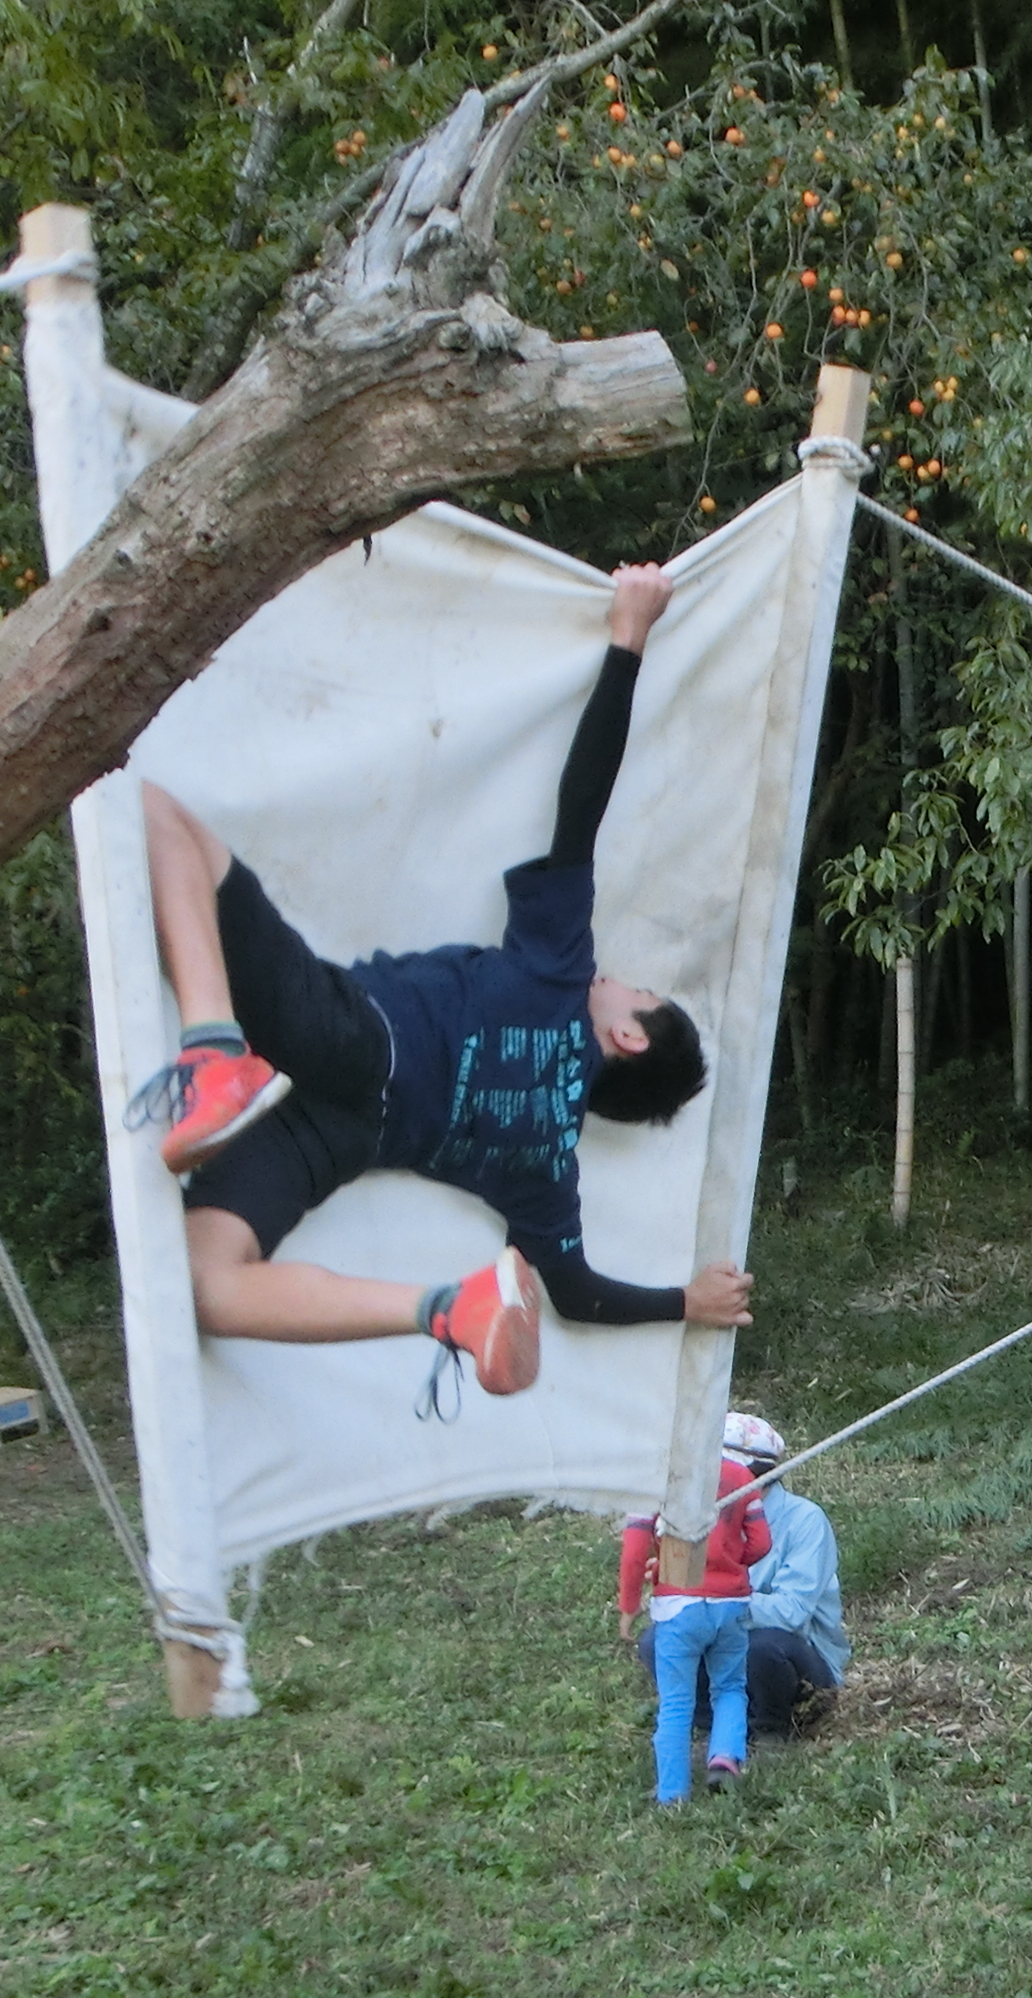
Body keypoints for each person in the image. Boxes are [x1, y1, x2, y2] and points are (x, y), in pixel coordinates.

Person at [123, 561, 752, 1401]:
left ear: (629, 1035)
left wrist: (628, 638)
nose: (613, 976)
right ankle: (450, 1307)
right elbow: (575, 1292)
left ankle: (210, 1046)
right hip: (340, 1137)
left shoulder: (558, 973)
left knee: (158, 816)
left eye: (633, 990)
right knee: (207, 1286)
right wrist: (688, 1302)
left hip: (353, 1040)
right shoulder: (547, 1161)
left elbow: (583, 806)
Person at [618, 1455, 772, 1802]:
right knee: (731, 1685)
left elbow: (634, 1553)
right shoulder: (739, 1474)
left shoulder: (652, 1476)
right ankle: (724, 1757)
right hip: (730, 1604)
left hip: (679, 1605)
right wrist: (731, 1564)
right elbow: (761, 1542)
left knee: (676, 1701)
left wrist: (629, 1605)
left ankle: (673, 1794)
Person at [723, 1409, 848, 1733]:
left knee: (761, 1647)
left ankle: (773, 1728)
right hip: (721, 1640)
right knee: (658, 1640)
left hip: (797, 1654)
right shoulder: (705, 1517)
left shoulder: (805, 1520)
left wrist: (719, 1600)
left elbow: (791, 1613)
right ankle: (709, 1722)